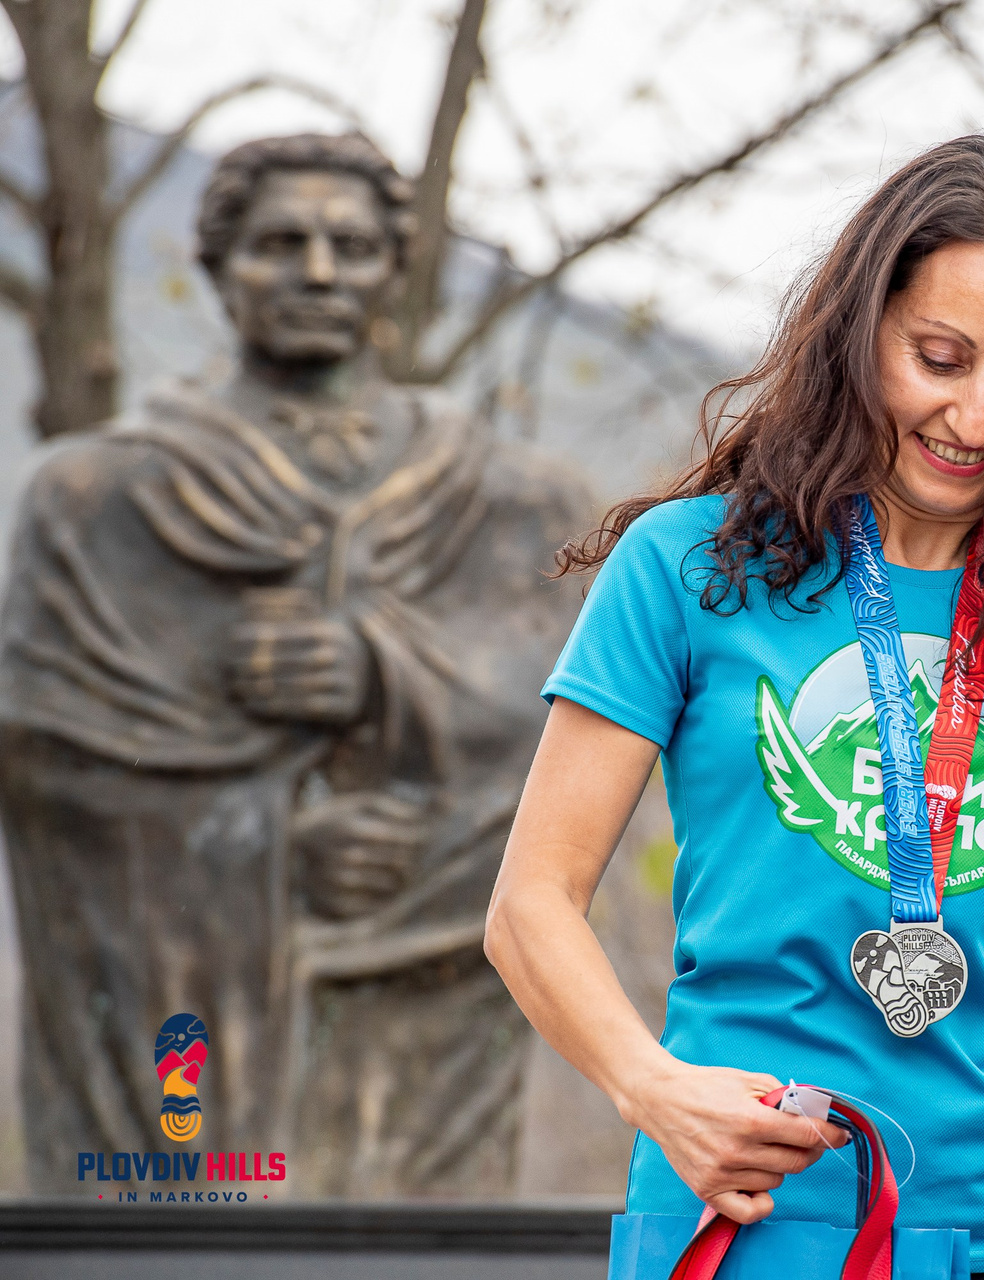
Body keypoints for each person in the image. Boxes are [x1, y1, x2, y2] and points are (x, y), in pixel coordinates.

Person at [485, 135, 984, 1277]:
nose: (975, 417)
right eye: (939, 358)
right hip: (750, 1205)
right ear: (861, 334)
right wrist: (656, 1092)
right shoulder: (690, 565)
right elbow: (528, 905)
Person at [0, 133, 591, 1193]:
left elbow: (575, 750)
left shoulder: (516, 505)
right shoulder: (96, 501)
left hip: (427, 1008)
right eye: (280, 243)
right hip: (183, 1031)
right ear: (218, 266)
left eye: (351, 246)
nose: (319, 272)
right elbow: (51, 776)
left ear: (393, 270)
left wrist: (382, 671)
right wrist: (266, 843)